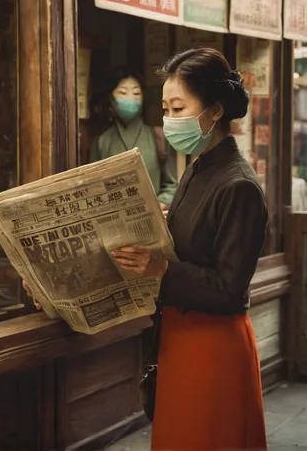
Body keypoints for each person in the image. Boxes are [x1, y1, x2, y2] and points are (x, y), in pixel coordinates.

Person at [112, 47, 268, 450]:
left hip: (214, 347)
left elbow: (230, 289)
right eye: (165, 108)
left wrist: (162, 269)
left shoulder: (240, 185)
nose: (168, 120)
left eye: (178, 108)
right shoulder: (196, 167)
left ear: (214, 111)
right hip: (179, 337)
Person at [90, 66, 177, 211]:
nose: (130, 98)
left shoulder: (158, 137)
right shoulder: (102, 141)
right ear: (111, 98)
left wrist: (159, 204)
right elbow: (92, 189)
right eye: (123, 92)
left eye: (136, 93)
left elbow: (171, 185)